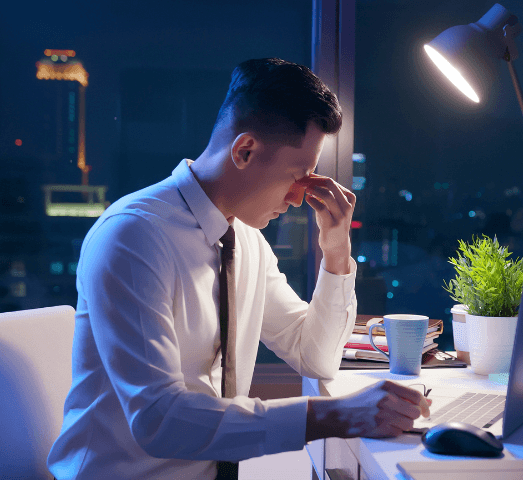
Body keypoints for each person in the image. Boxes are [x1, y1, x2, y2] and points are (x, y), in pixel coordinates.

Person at [47, 58, 431, 479]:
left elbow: (316, 358)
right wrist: (335, 415)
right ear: (245, 151)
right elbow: (159, 419)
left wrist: (336, 248)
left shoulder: (245, 240)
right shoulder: (133, 238)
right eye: (297, 175)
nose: (301, 197)